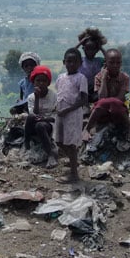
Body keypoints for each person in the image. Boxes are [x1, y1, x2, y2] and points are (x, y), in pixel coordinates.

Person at [83, 49, 130, 148]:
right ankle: (87, 129)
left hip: (118, 111)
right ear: (105, 63)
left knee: (113, 103)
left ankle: (129, 127)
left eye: (118, 63)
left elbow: (119, 99)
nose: (115, 65)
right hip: (103, 112)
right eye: (111, 63)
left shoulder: (124, 77)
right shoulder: (99, 77)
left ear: (121, 63)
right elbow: (101, 97)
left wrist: (109, 102)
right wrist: (104, 78)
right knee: (102, 103)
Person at [54, 48, 88, 183]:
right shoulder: (61, 78)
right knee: (58, 141)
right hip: (61, 113)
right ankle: (74, 161)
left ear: (80, 63)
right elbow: (60, 93)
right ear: (64, 62)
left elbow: (84, 99)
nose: (71, 64)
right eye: (68, 61)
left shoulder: (81, 78)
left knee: (71, 143)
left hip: (72, 114)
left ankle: (74, 174)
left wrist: (68, 109)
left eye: (75, 61)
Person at [24, 65, 58, 168]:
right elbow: (34, 114)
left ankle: (50, 155)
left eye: (44, 81)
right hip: (34, 122)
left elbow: (55, 116)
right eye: (38, 81)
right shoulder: (31, 97)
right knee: (30, 117)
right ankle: (26, 141)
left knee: (40, 125)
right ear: (33, 82)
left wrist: (45, 119)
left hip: (47, 124)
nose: (41, 84)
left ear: (48, 83)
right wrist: (37, 98)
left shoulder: (54, 96)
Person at [75, 28, 107, 104]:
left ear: (96, 50)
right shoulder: (80, 60)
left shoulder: (99, 61)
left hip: (95, 89)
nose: (90, 51)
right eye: (87, 49)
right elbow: (70, 53)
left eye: (93, 49)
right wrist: (81, 42)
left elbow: (109, 59)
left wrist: (101, 47)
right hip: (81, 89)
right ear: (83, 49)